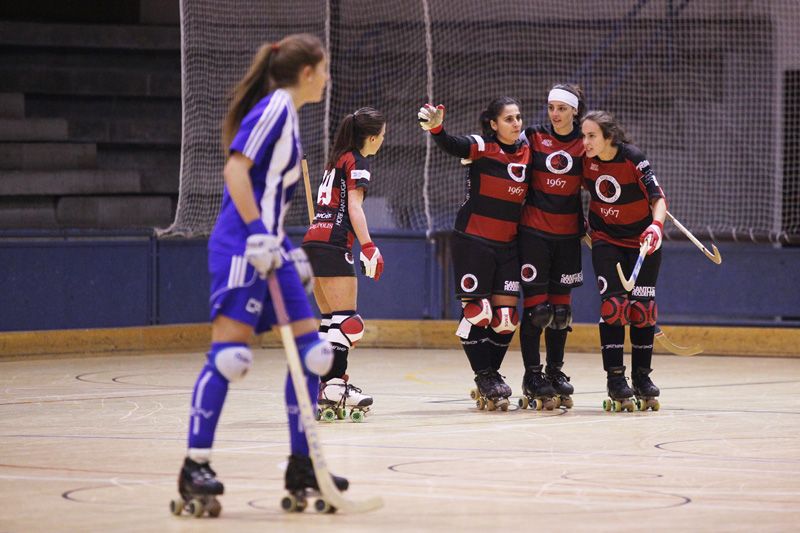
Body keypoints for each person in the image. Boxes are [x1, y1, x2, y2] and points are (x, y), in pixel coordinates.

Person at [172, 34, 348, 518]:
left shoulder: (289, 116)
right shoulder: (273, 108)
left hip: (271, 246)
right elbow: (235, 170)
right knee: (231, 357)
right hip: (240, 245)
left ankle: (302, 465)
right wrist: (255, 234)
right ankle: (195, 464)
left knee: (315, 355)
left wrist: (288, 249)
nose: (328, 78)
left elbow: (267, 197)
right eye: (325, 69)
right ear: (307, 73)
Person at [418, 97, 531, 411]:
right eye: (508, 119)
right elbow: (452, 144)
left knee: (506, 319)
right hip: (474, 240)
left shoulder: (527, 153)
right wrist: (437, 129)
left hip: (507, 244)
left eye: (518, 117)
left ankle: (490, 375)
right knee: (478, 312)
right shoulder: (482, 146)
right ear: (494, 124)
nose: (516, 123)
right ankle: (484, 376)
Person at [302, 107, 387, 421]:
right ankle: (335, 385)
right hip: (334, 243)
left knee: (329, 323)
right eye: (382, 135)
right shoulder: (357, 161)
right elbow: (354, 207)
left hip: (313, 241)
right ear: (372, 137)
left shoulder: (336, 159)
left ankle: (323, 384)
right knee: (348, 322)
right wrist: (368, 245)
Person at [580, 110, 666, 412]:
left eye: (592, 136)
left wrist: (656, 226)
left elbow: (658, 199)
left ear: (609, 137)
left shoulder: (633, 158)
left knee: (643, 310)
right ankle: (616, 378)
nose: (586, 142)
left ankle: (642, 378)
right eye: (583, 136)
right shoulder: (584, 161)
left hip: (642, 242)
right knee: (613, 307)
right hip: (606, 240)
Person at [517, 84, 586, 410]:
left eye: (561, 108)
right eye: (551, 107)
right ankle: (533, 375)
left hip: (568, 237)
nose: (555, 114)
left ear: (574, 110)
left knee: (560, 313)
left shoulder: (584, 143)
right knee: (537, 311)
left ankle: (555, 372)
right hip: (535, 234)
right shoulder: (533, 136)